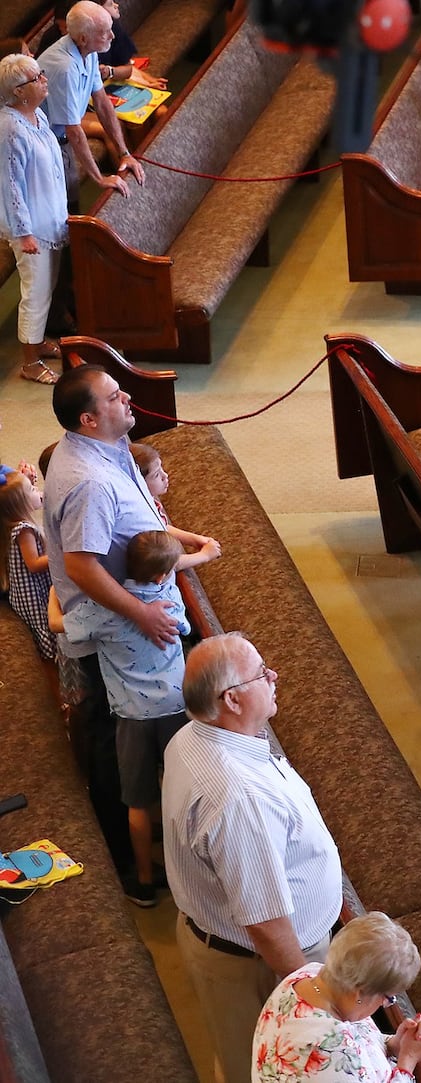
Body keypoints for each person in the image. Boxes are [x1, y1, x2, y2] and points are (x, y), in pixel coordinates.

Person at [164, 633, 344, 1083]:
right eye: (263, 673)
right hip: (257, 967)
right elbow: (264, 921)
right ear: (232, 699)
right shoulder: (237, 797)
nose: (274, 676)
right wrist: (306, 994)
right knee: (263, 1070)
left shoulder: (190, 736)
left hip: (231, 947)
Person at [43, 364, 167, 880]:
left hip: (121, 628)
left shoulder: (105, 449)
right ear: (89, 419)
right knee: (113, 748)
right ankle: (123, 860)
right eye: (117, 396)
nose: (129, 398)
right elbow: (81, 566)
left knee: (121, 742)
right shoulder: (88, 481)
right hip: (109, 639)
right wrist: (143, 612)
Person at [69, 528, 188, 906]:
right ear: (162, 575)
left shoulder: (104, 608)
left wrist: (56, 598)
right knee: (176, 796)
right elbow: (184, 629)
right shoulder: (169, 596)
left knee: (137, 802)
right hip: (176, 708)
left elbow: (64, 628)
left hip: (132, 716)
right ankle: (180, 873)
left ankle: (143, 879)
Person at [252, 912, 421, 1083]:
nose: (385, 1005)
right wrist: (409, 1059)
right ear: (360, 992)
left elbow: (358, 1039)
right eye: (388, 998)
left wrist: (395, 1044)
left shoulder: (310, 975)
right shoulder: (330, 1052)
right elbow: (344, 1052)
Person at [0, 52, 69, 385]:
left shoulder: (36, 116)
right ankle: (29, 362)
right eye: (36, 77)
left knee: (48, 286)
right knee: (36, 291)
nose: (44, 79)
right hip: (30, 229)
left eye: (42, 73)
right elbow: (9, 184)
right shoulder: (9, 128)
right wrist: (23, 232)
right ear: (18, 91)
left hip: (51, 218)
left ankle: (38, 341)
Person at [37, 2, 145, 198]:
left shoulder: (89, 50)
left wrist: (125, 153)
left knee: (71, 194)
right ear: (84, 38)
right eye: (105, 32)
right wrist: (99, 178)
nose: (112, 36)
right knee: (62, 205)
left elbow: (102, 102)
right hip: (41, 147)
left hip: (60, 139)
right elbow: (74, 130)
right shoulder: (65, 68)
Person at [129, 442, 223, 570]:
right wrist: (204, 555)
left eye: (161, 468)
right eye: (156, 475)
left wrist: (194, 539)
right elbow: (166, 564)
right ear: (138, 484)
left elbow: (162, 526)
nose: (165, 475)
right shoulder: (142, 522)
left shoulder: (144, 502)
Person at [2, 470, 54, 662]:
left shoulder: (11, 524)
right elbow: (33, 564)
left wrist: (27, 483)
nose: (38, 490)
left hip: (26, 594)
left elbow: (41, 498)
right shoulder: (24, 530)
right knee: (47, 633)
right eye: (33, 489)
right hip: (35, 596)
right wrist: (60, 554)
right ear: (21, 503)